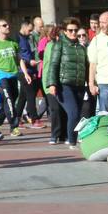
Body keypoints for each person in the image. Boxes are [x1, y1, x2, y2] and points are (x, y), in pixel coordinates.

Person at [43, 18, 88, 149]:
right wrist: (52, 84)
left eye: (75, 30)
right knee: (73, 112)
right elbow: (53, 65)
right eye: (70, 30)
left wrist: (90, 83)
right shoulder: (59, 45)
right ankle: (72, 141)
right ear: (64, 31)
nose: (73, 33)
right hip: (64, 85)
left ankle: (72, 138)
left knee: (78, 114)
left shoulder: (81, 47)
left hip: (79, 85)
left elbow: (85, 66)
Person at [0, 19, 22, 136]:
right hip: (1, 76)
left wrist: (25, 73)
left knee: (7, 102)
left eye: (7, 24)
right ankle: (14, 127)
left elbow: (19, 59)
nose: (7, 26)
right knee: (9, 100)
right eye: (4, 25)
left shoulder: (13, 42)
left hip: (14, 75)